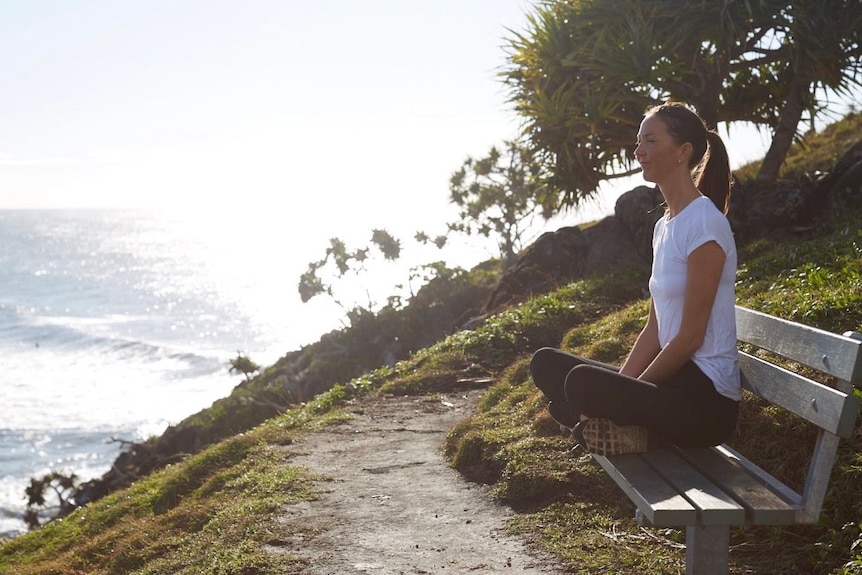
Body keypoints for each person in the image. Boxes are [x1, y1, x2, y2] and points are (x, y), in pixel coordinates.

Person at [530, 101, 740, 453]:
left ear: (683, 151)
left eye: (650, 142)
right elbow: (655, 330)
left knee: (581, 383)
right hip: (670, 384)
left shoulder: (704, 224)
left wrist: (625, 394)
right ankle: (616, 427)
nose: (639, 151)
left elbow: (689, 339)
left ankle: (599, 422)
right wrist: (623, 389)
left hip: (704, 402)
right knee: (546, 363)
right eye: (638, 142)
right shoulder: (664, 227)